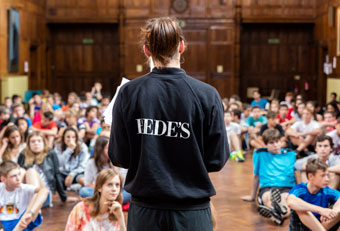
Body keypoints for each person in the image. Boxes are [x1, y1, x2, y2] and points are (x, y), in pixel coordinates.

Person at [109, 17, 229, 231]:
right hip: (191, 212)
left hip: (146, 212)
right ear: (181, 47)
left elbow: (120, 157)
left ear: (147, 51)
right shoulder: (207, 95)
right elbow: (217, 159)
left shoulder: (129, 93)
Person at [241, 128, 296, 225]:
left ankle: (277, 214)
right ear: (266, 145)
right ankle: (277, 211)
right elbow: (256, 175)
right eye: (271, 143)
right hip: (268, 187)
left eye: (277, 141)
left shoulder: (290, 154)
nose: (275, 145)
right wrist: (252, 196)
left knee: (287, 202)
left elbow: (295, 174)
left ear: (280, 142)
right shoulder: (260, 154)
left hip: (287, 187)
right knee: (268, 198)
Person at [287, 158, 340, 231]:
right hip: (300, 228)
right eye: (322, 176)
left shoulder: (326, 190)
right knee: (301, 209)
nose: (327, 179)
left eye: (327, 175)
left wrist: (334, 212)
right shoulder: (300, 189)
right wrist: (320, 210)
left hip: (320, 227)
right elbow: (290, 202)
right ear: (310, 176)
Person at [18, 132, 68, 202]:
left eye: (39, 141)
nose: (36, 143)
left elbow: (57, 175)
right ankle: (16, 199)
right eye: (33, 141)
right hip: (27, 193)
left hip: (44, 194)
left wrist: (64, 197)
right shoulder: (23, 154)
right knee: (20, 171)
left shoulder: (51, 153)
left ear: (44, 143)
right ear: (28, 144)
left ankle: (35, 207)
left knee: (31, 171)